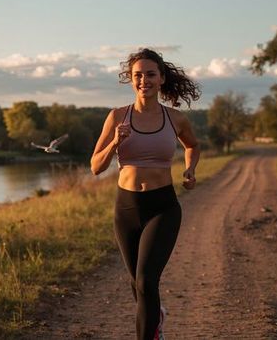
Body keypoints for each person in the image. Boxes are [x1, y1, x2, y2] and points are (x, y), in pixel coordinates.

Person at [90, 48, 201, 340]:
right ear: (131, 80)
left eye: (150, 74)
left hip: (162, 206)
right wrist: (115, 142)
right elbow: (95, 167)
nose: (144, 80)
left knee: (146, 280)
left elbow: (192, 145)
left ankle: (150, 333)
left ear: (161, 79)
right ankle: (156, 317)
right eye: (138, 75)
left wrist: (190, 170)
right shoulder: (116, 117)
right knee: (137, 283)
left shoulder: (175, 119)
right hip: (126, 208)